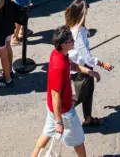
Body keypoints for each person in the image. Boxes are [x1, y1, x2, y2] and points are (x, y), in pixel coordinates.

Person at [30, 26, 88, 157]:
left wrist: (89, 71)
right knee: (78, 141)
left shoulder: (57, 54)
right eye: (70, 40)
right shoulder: (59, 67)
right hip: (64, 111)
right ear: (63, 45)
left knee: (46, 133)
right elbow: (55, 95)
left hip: (53, 108)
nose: (73, 41)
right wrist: (59, 122)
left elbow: (71, 65)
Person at [64, 0, 114, 128]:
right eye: (86, 11)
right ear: (82, 13)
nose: (87, 13)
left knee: (89, 92)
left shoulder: (73, 26)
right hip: (81, 69)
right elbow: (86, 56)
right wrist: (102, 64)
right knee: (79, 96)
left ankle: (88, 118)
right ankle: (61, 117)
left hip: (80, 67)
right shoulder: (79, 33)